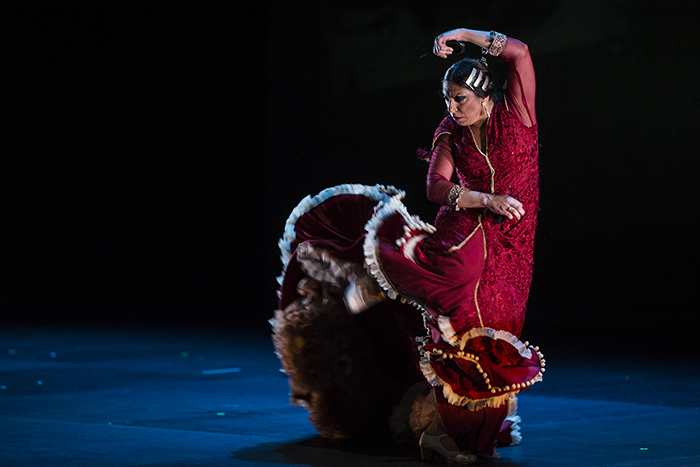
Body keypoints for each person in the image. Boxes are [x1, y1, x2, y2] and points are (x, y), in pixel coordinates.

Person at [272, 27, 544, 464]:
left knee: (495, 329)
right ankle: (386, 279)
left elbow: (521, 53)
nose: (452, 108)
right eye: (447, 99)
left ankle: (491, 418)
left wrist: (461, 34)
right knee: (457, 285)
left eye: (460, 99)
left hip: (514, 247)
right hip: (467, 226)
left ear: (485, 97)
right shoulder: (448, 132)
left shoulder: (516, 114)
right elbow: (436, 185)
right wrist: (481, 199)